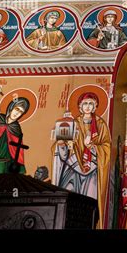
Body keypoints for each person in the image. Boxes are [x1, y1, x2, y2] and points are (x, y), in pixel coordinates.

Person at [52, 92, 111, 228]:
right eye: (85, 103)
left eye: (91, 103)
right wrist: (61, 145)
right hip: (73, 169)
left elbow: (107, 148)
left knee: (90, 202)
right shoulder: (72, 123)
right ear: (80, 106)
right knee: (69, 199)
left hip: (92, 171)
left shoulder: (101, 125)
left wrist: (91, 146)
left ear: (95, 106)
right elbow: (62, 146)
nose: (88, 106)